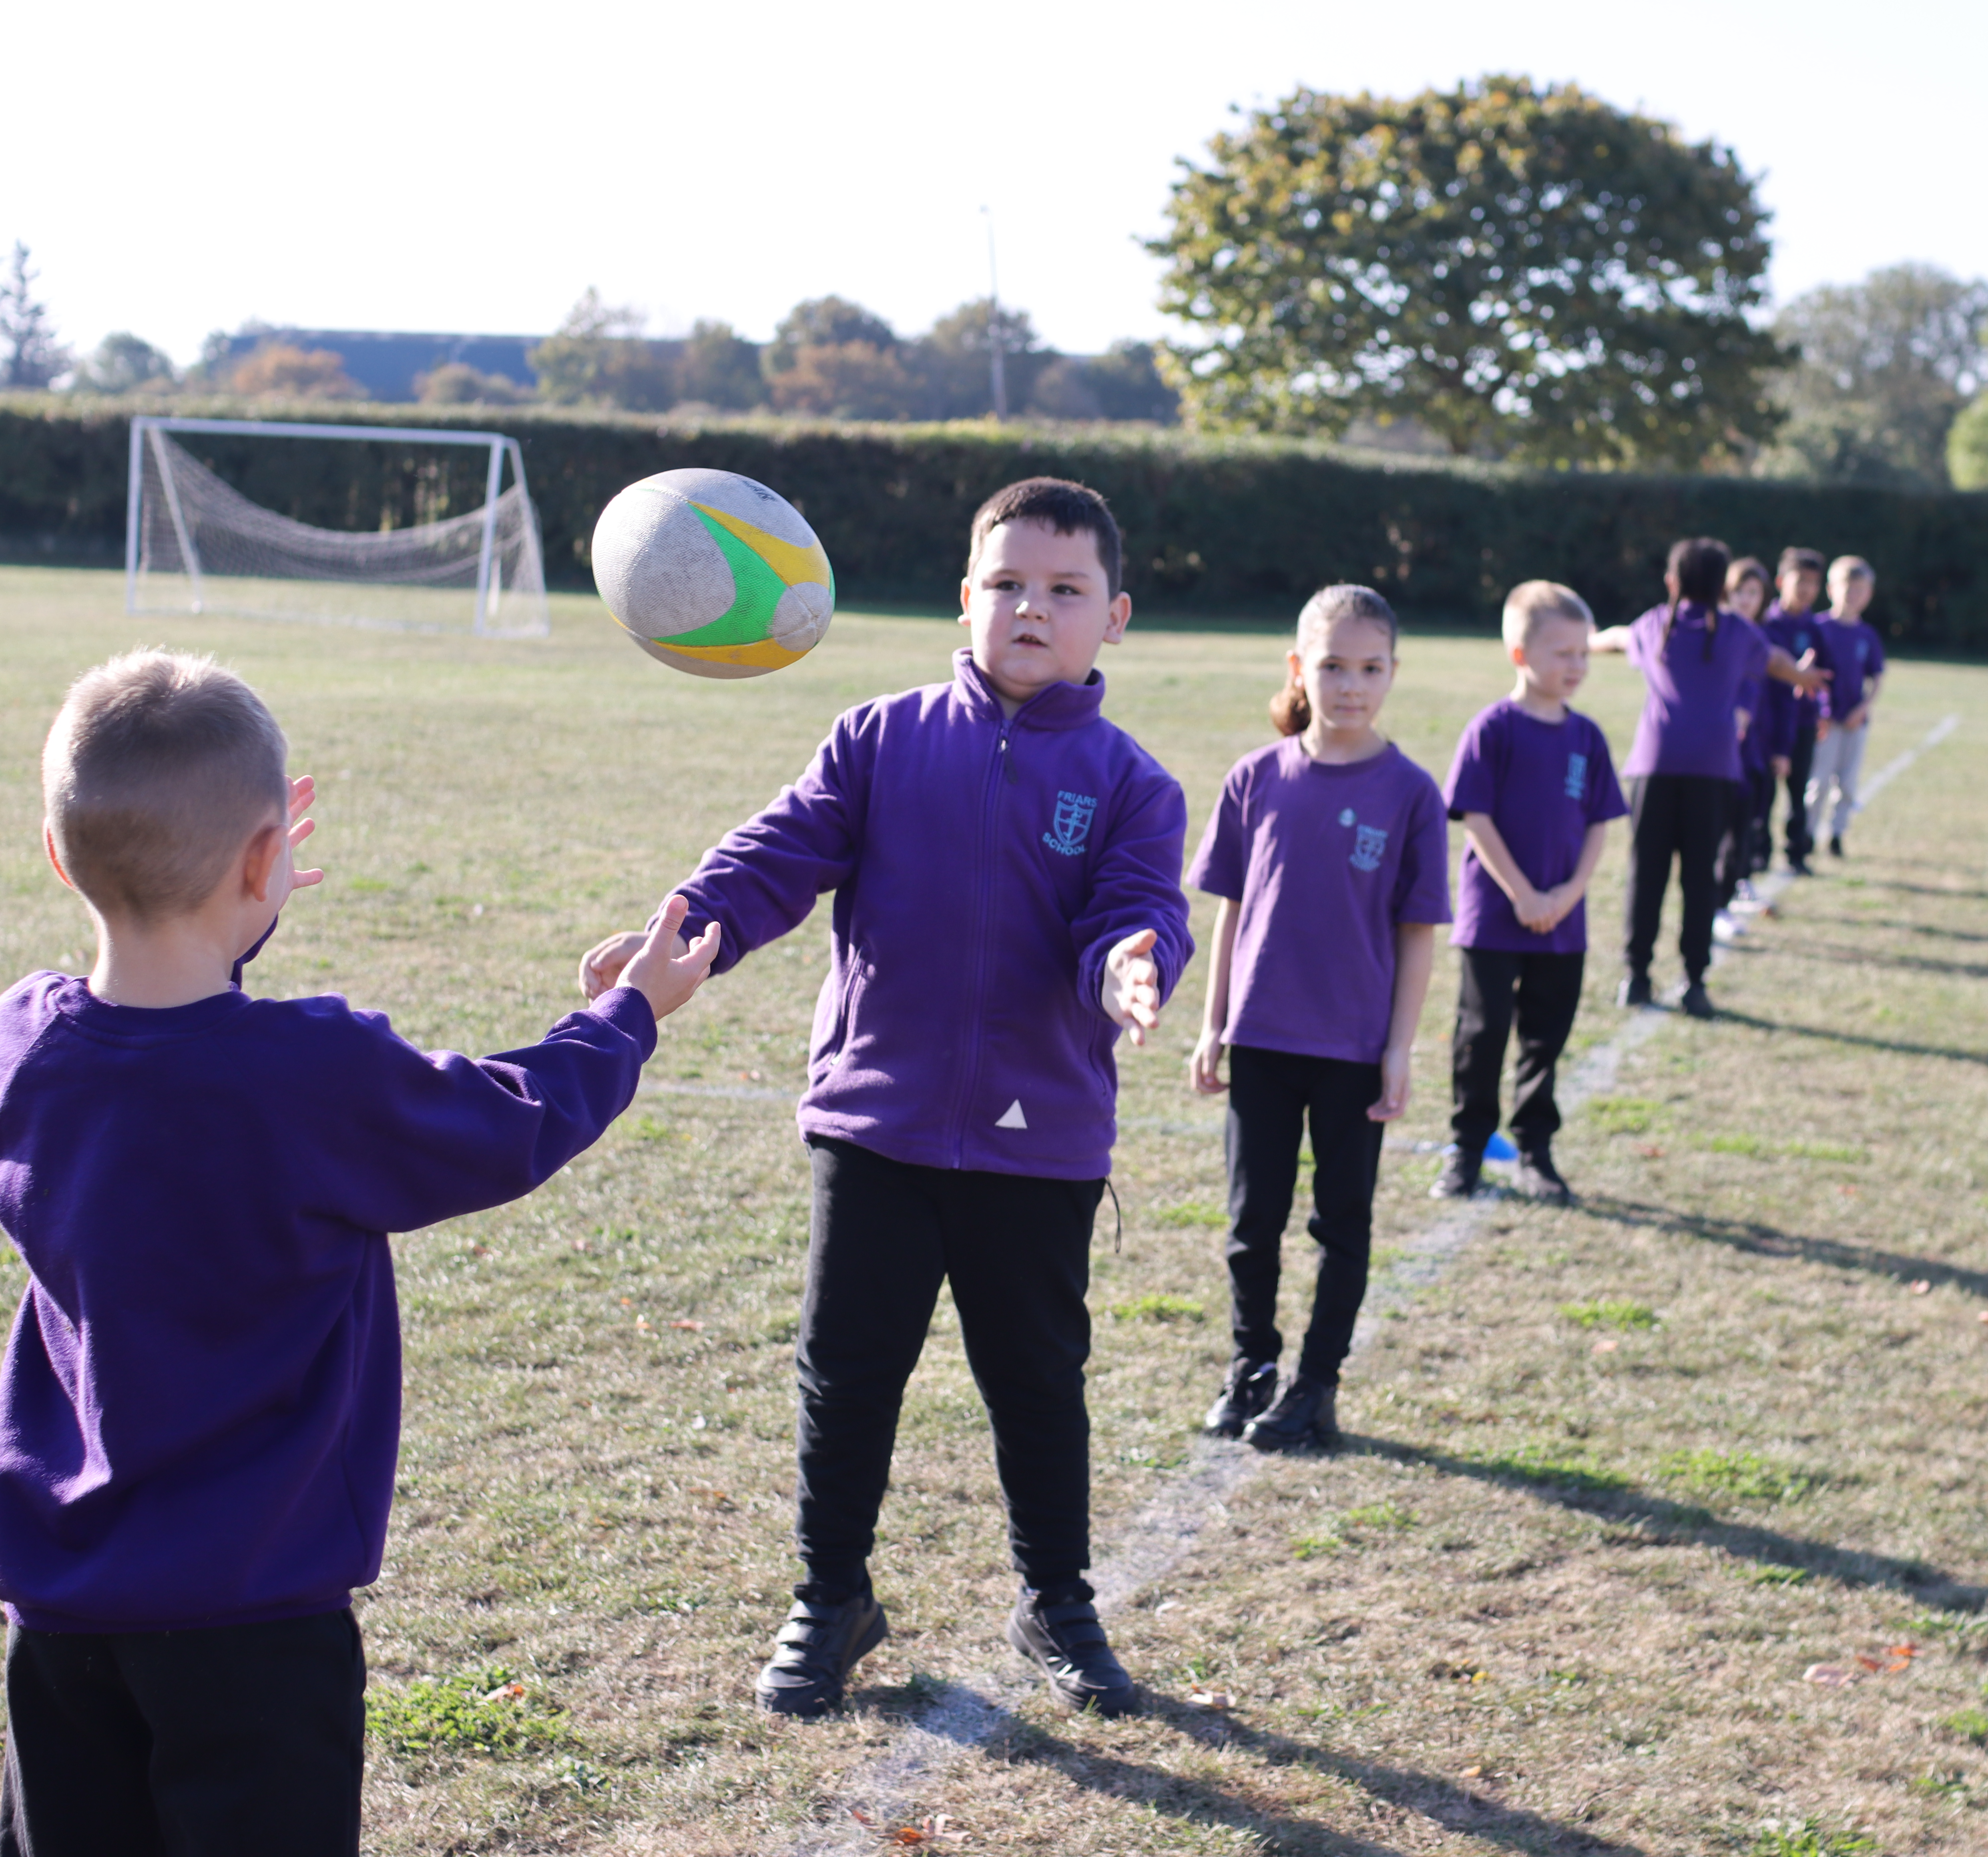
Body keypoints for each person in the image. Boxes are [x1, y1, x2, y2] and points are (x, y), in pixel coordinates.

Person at [0, 651, 719, 1855]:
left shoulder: (25, 1039)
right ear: (269, 859)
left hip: (61, 1615)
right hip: (252, 1624)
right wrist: (625, 1013)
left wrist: (230, 896)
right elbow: (511, 1118)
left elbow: (166, 1038)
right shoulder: (312, 1073)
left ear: (61, 857)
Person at [584, 479, 1193, 1721]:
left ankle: (1055, 1600)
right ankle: (830, 1596)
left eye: (1065, 590)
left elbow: (1137, 908)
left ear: (1113, 617)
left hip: (1039, 1140)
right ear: (964, 601)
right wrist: (687, 925)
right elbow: (779, 853)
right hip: (877, 1118)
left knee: (1035, 1378)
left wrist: (1134, 961)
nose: (1033, 608)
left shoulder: (1135, 784)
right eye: (1008, 585)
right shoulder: (879, 737)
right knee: (847, 1372)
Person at [1187, 585, 1449, 1450]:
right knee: (1250, 1221)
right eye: (1332, 665)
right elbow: (1231, 911)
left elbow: (1417, 931)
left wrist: (1400, 1047)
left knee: (1343, 1222)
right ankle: (1252, 1365)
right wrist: (1211, 1024)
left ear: (1393, 675)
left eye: (1370, 667)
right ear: (1299, 668)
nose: (1351, 685)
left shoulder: (1410, 792)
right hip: (1261, 1037)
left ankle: (1316, 1387)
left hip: (1352, 1047)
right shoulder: (1256, 779)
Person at [1432, 580, 1624, 1204]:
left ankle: (1536, 1150)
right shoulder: (1494, 729)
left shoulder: (1587, 737)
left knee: (1547, 1036)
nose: (1576, 666)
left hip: (1563, 921)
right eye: (1563, 653)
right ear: (1520, 655)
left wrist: (1568, 893)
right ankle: (1467, 1148)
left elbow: (1599, 822)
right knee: (1482, 1034)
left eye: (1584, 654)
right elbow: (1476, 817)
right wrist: (1522, 893)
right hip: (1496, 917)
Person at [1595, 539, 1827, 1019]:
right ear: (1723, 584)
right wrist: (1803, 679)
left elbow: (1618, 637)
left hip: (1655, 767)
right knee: (1701, 877)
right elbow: (1776, 661)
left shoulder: (1658, 625)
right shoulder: (1738, 632)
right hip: (1713, 770)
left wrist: (1581, 639)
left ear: (1673, 581)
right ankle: (1694, 982)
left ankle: (1636, 977)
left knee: (1647, 873)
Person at [1804, 556, 1886, 858]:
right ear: (1831, 589)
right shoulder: (1818, 627)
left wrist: (1863, 709)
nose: (1853, 596)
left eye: (1860, 590)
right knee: (1819, 783)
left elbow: (1877, 678)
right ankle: (1808, 834)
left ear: (1869, 594)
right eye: (1847, 588)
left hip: (1854, 722)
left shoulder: (1868, 635)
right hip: (1825, 721)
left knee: (1848, 783)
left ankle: (1837, 835)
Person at [1760, 548, 1827, 875]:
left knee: (1798, 791)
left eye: (1814, 583)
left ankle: (1796, 853)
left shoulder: (1814, 628)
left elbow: (1827, 676)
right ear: (1782, 581)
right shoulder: (1766, 624)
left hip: (1802, 723)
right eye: (1801, 581)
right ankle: (1758, 855)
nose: (1807, 590)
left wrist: (1823, 711)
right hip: (1769, 721)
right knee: (1764, 792)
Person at [1721, 557, 1776, 905]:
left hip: (1754, 751)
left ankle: (1737, 882)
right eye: (1738, 591)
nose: (1745, 599)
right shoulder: (1714, 637)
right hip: (1718, 751)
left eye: (1753, 593)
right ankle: (1717, 898)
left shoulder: (1763, 641)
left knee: (1748, 822)